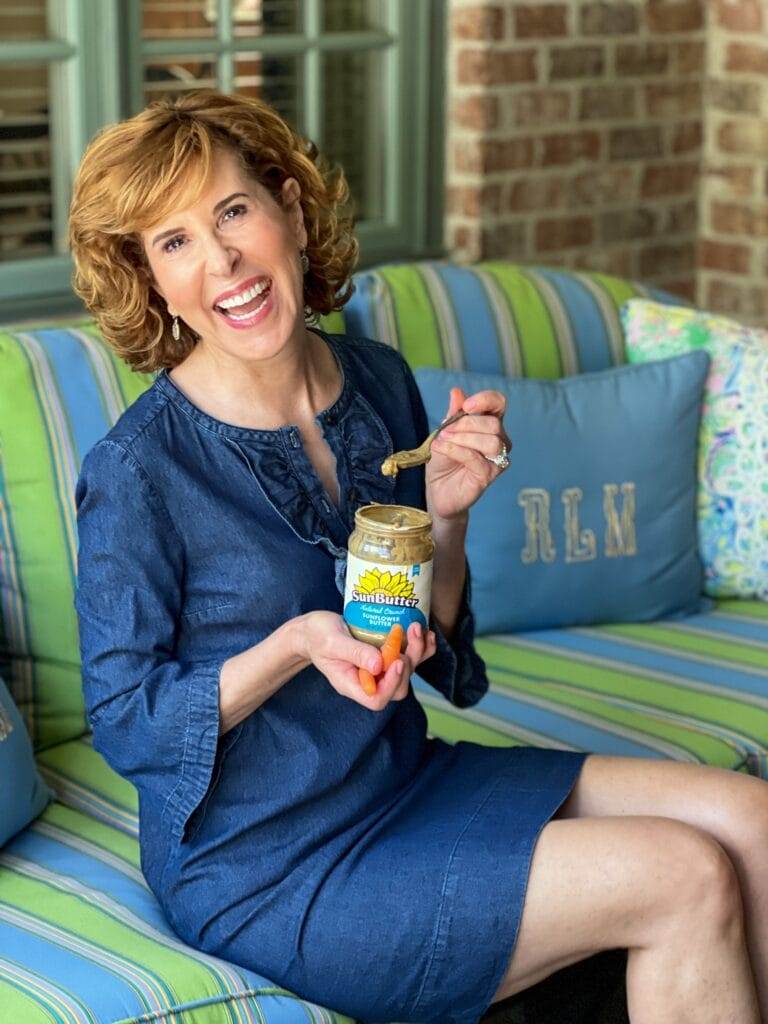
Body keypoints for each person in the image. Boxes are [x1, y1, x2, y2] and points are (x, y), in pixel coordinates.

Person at [69, 90, 768, 1024]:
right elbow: (125, 723)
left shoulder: (378, 382)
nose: (222, 260)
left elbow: (431, 643)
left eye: (233, 212)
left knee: (753, 825)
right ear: (152, 280)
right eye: (175, 242)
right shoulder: (139, 469)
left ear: (287, 207)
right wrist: (293, 646)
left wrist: (446, 515)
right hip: (270, 862)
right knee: (682, 874)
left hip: (401, 779)